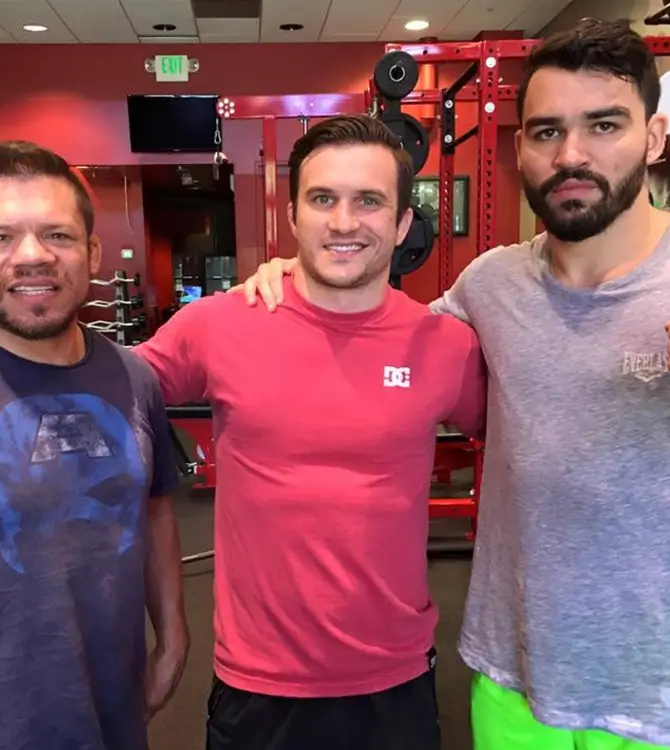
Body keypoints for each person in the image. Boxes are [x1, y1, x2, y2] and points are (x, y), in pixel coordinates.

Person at [237, 18, 670, 750]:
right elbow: (379, 336)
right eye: (545, 131)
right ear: (521, 146)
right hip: (512, 677)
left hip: (654, 694)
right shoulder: (490, 284)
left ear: (655, 137)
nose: (571, 155)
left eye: (603, 125)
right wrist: (304, 280)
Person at [134, 114, 486, 750]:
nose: (344, 222)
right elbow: (99, 395)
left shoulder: (447, 345)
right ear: (292, 217)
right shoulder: (217, 325)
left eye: (369, 201)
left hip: (394, 680)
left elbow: (539, 438)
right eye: (323, 199)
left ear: (404, 223)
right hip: (260, 686)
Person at [0, 141, 188, 750]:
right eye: (0, 238)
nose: (33, 256)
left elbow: (155, 504)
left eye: (58, 236)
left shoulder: (131, 375)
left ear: (91, 252)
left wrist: (173, 640)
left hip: (112, 720)